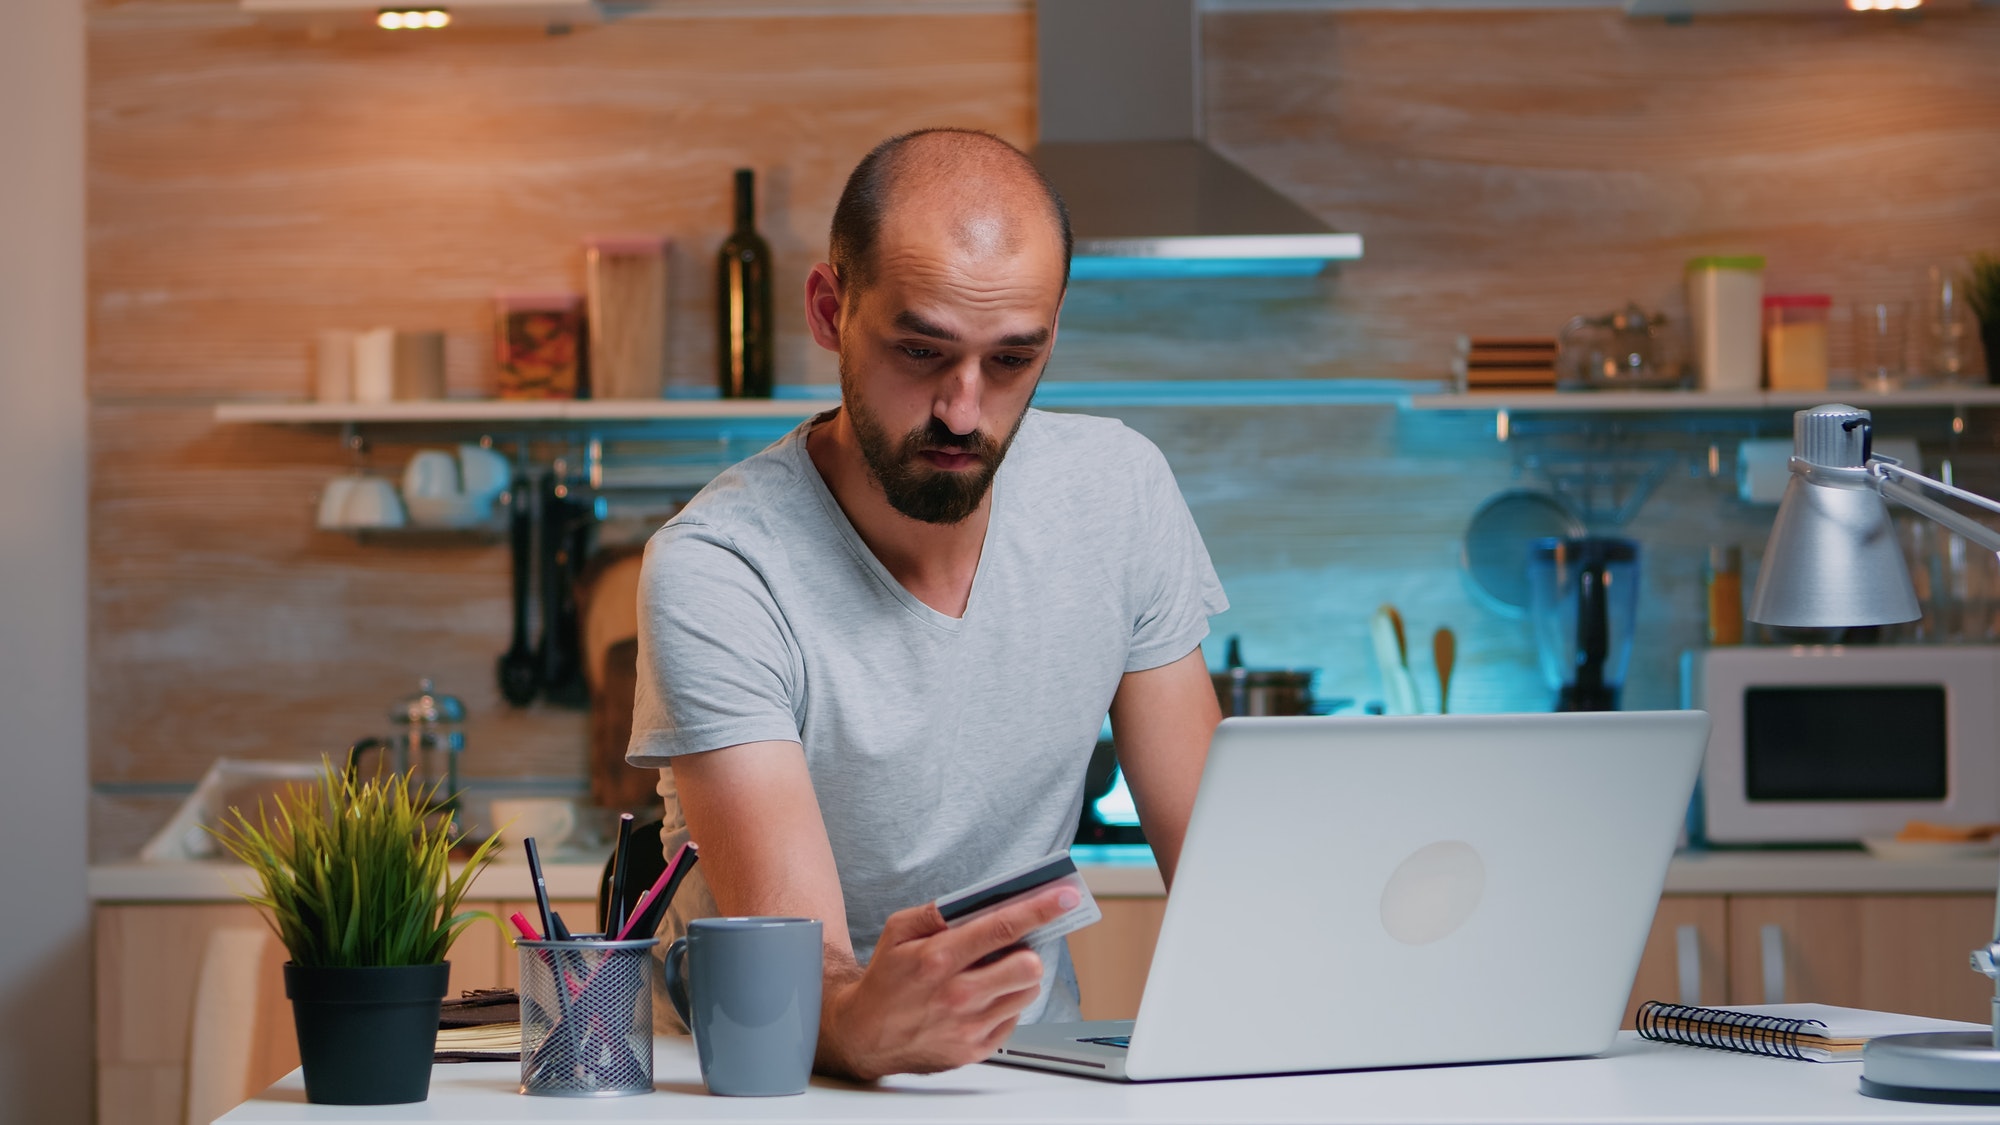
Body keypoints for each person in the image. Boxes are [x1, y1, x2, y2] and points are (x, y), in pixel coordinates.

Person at [627, 128, 1227, 1081]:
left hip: (1035, 1074)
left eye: (1011, 360)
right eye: (921, 350)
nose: (963, 409)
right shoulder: (720, 566)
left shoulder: (1121, 491)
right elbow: (799, 976)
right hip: (777, 1080)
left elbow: (1222, 872)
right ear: (830, 310)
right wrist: (867, 1015)